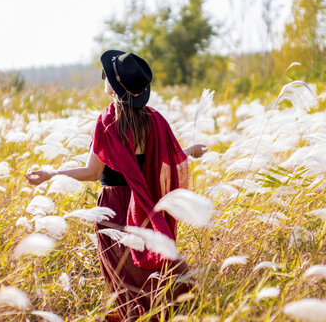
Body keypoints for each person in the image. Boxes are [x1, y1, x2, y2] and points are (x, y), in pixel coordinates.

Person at [26, 50, 207, 321]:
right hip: (145, 208)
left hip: (112, 210)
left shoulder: (107, 123)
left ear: (114, 88)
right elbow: (167, 159)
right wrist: (190, 150)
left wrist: (52, 174)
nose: (103, 79)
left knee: (126, 282)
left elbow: (91, 173)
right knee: (155, 271)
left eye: (106, 76)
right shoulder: (154, 120)